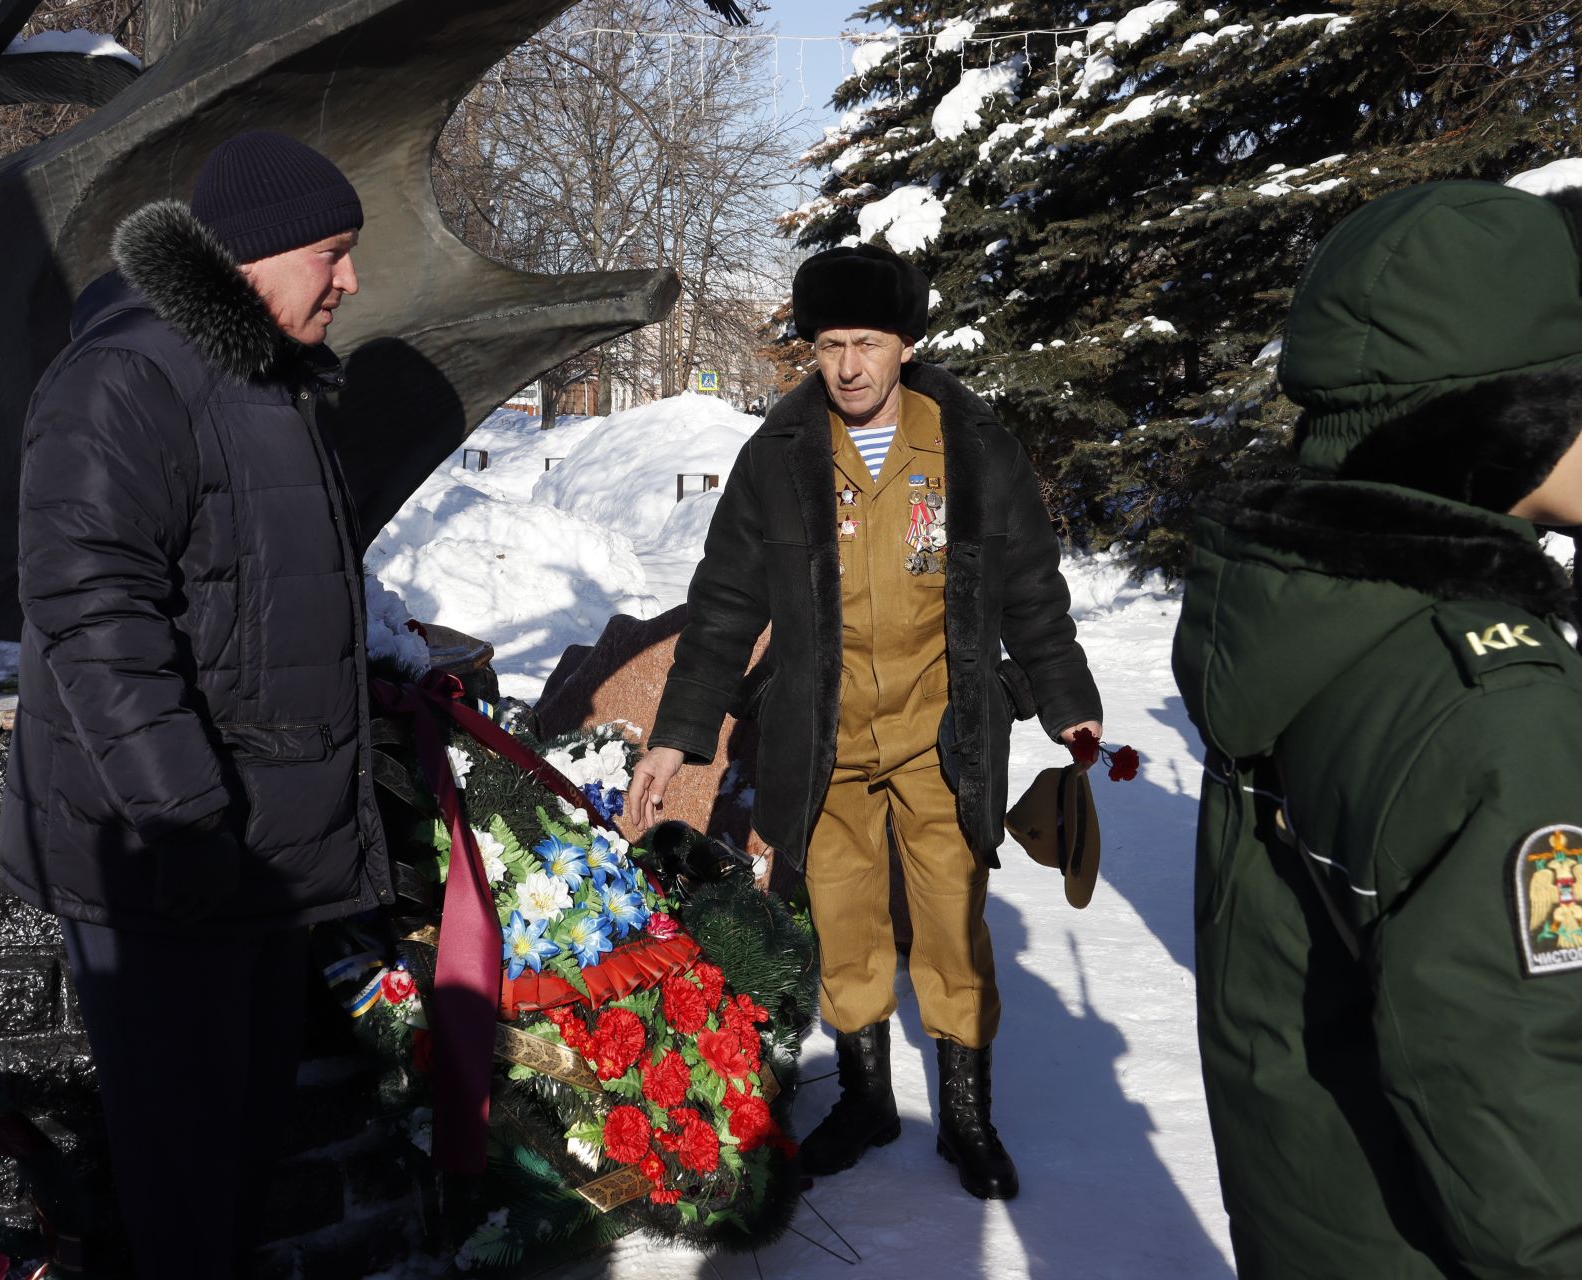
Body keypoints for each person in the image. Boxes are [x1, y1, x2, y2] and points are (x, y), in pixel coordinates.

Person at [0, 130, 433, 1276]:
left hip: (255, 856)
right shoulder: (127, 379)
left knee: (233, 1166)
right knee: (184, 1183)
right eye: (331, 253)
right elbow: (95, 617)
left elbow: (264, 590)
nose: (349, 280)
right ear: (251, 253)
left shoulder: (268, 382)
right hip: (171, 858)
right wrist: (188, 814)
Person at [625, 243, 1103, 1201]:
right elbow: (724, 604)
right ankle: (867, 1096)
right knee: (846, 928)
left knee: (953, 928)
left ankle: (967, 1117)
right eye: (829, 344)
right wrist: (676, 733)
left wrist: (1068, 703)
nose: (846, 365)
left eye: (867, 343)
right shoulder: (779, 459)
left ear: (906, 345)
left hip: (946, 737)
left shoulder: (970, 448)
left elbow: (1029, 589)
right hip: (827, 742)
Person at [1173, 181, 1582, 1278]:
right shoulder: (1486, 698)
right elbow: (1527, 1124)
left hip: (1319, 1215)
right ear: (1510, 413)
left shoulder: (1313, 618)